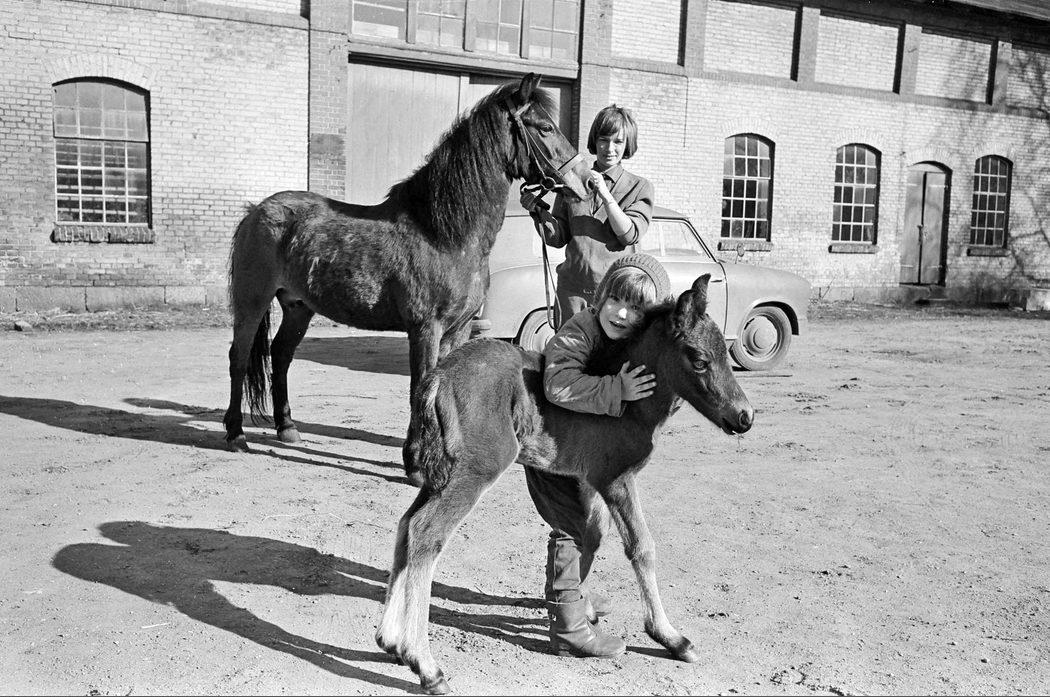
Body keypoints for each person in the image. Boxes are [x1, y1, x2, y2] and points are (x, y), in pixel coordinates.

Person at [530, 253, 673, 658]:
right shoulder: (581, 329)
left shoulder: (634, 342)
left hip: (588, 449)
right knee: (572, 524)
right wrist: (616, 390)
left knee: (596, 525)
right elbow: (558, 383)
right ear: (601, 297)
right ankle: (569, 630)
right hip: (552, 444)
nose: (622, 313)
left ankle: (573, 594)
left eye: (637, 308)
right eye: (615, 300)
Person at [521, 103, 655, 329]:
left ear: (627, 144)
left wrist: (605, 194)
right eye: (603, 139)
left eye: (618, 141)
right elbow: (558, 238)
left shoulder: (639, 187)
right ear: (595, 140)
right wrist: (538, 212)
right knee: (568, 349)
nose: (609, 148)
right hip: (571, 294)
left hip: (614, 297)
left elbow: (629, 234)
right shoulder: (571, 182)